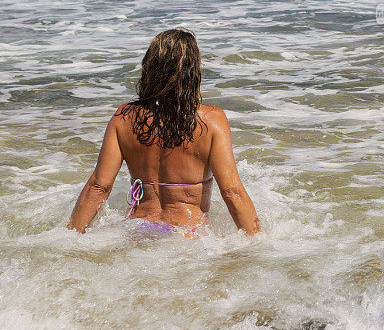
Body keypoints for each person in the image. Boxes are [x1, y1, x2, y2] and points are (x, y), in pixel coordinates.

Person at [68, 29, 260, 236]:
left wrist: (70, 236)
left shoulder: (123, 117)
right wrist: (257, 244)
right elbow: (232, 192)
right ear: (193, 71)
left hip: (136, 229)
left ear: (149, 67)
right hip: (188, 232)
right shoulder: (212, 120)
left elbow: (99, 186)